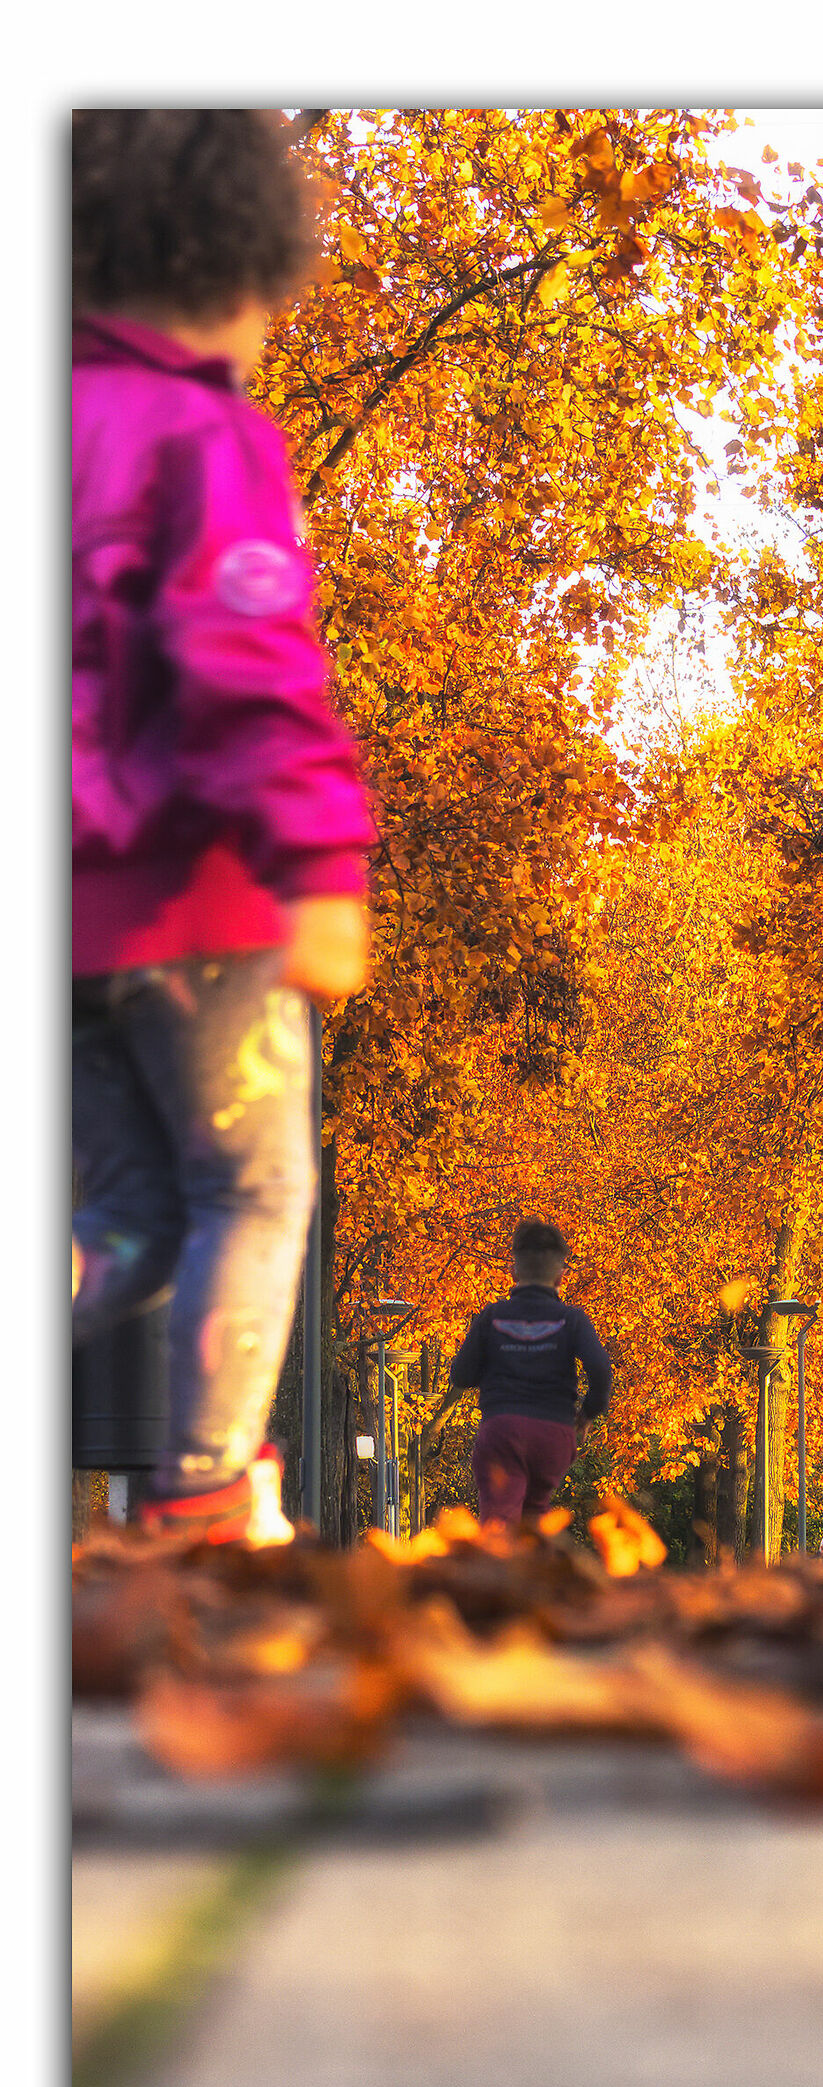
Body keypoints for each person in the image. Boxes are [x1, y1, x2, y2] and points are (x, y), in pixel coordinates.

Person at [71, 111, 374, 1542]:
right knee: (249, 1192)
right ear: (234, 269)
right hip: (192, 905)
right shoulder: (202, 433)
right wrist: (315, 865)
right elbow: (249, 660)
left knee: (116, 1226)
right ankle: (199, 1499)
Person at [435, 1219, 613, 1527]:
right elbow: (600, 1368)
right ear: (560, 1276)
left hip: (503, 1429)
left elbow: (461, 1375)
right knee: (535, 1517)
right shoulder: (572, 1319)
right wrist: (587, 1413)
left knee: (500, 1518)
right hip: (554, 1434)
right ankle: (536, 1570)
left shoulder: (491, 1317)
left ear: (514, 1272)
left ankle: (498, 1571)